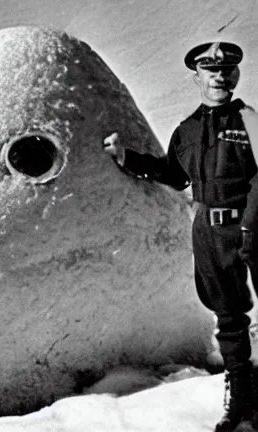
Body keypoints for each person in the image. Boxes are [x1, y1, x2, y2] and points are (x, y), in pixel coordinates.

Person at [104, 41, 258, 432]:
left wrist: (251, 227)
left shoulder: (251, 122)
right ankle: (242, 403)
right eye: (211, 71)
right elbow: (175, 175)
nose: (219, 77)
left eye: (226, 71)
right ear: (198, 77)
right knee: (229, 318)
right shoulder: (187, 129)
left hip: (250, 225)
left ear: (235, 75)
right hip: (208, 229)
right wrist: (128, 159)